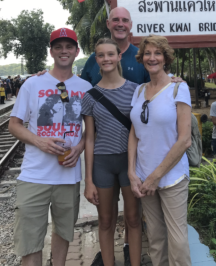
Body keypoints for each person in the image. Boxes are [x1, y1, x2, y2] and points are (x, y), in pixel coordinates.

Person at [8, 28, 92, 266]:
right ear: (51, 51)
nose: (63, 51)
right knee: (30, 240)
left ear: (76, 51)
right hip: (34, 175)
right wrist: (39, 141)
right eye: (58, 47)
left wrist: (80, 148)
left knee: (64, 233)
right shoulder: (32, 84)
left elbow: (90, 130)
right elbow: (14, 125)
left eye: (68, 47)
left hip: (68, 175)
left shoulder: (85, 88)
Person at [128, 35, 192, 266]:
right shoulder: (138, 91)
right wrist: (132, 173)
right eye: (147, 53)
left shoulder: (178, 88)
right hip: (144, 177)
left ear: (165, 58)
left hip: (171, 177)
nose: (152, 58)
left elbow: (185, 140)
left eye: (157, 53)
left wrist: (156, 176)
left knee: (177, 241)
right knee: (155, 238)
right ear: (142, 58)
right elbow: (134, 134)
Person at [82, 38, 141, 266]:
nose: (106, 59)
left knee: (133, 219)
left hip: (130, 163)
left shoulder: (135, 91)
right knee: (105, 220)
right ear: (96, 60)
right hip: (102, 164)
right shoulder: (90, 96)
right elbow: (89, 139)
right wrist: (88, 180)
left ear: (118, 57)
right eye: (101, 55)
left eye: (110, 54)